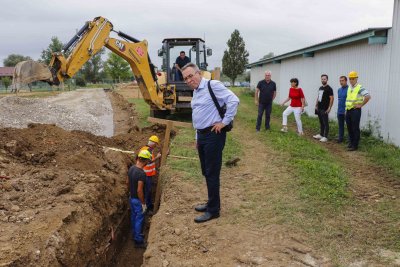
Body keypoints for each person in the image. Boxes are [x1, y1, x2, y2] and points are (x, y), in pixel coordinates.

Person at [181, 62, 239, 223]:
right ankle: (210, 202)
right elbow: (198, 116)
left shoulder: (213, 85)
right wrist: (197, 138)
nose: (189, 80)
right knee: (206, 171)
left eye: (191, 76)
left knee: (212, 173)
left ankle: (214, 210)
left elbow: (234, 100)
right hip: (202, 136)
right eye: (186, 78)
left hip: (214, 135)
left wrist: (224, 122)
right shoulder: (196, 92)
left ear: (199, 73)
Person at [127, 149, 152, 248]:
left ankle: (134, 234)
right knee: (139, 219)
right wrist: (143, 203)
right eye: (147, 161)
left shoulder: (131, 168)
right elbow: (139, 190)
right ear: (145, 161)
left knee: (134, 217)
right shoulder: (141, 173)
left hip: (131, 198)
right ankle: (138, 240)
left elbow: (127, 182)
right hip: (138, 200)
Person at [345, 71, 371, 151]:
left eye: (353, 78)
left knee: (355, 128)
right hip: (348, 110)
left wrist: (361, 105)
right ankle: (351, 143)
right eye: (350, 79)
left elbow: (368, 96)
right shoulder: (349, 87)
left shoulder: (360, 87)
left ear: (356, 78)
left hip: (355, 111)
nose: (351, 80)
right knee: (349, 127)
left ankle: (355, 145)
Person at [140, 135, 161, 214]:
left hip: (148, 174)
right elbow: (148, 162)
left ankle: (148, 205)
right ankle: (146, 208)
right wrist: (157, 157)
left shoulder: (147, 149)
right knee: (147, 191)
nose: (156, 146)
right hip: (146, 175)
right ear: (153, 143)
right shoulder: (147, 150)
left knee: (148, 190)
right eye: (156, 144)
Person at [312, 74, 334, 142]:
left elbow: (332, 98)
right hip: (319, 107)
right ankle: (321, 135)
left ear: (327, 80)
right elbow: (318, 97)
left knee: (325, 122)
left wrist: (329, 107)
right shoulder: (320, 88)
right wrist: (316, 105)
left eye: (324, 79)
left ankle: (325, 137)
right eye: (322, 79)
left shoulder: (329, 88)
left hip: (325, 108)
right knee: (321, 122)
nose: (323, 80)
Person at [336, 76, 349, 143]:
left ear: (346, 81)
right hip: (339, 111)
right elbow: (339, 100)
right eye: (340, 81)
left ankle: (350, 140)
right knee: (340, 126)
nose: (341, 82)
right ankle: (340, 138)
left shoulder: (349, 89)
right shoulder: (339, 90)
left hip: (347, 111)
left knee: (349, 127)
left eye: (342, 80)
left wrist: (346, 110)